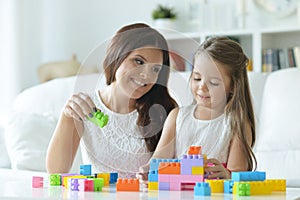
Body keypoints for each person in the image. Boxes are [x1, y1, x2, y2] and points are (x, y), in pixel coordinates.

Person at [46, 23, 178, 178]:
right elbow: (56, 173)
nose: (146, 75)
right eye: (139, 61)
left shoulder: (165, 112)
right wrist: (66, 117)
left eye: (155, 69)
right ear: (116, 57)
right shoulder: (86, 108)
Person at [137, 36, 257, 182]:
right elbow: (158, 160)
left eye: (213, 82)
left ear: (233, 86)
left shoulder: (236, 124)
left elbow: (238, 172)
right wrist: (147, 171)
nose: (202, 87)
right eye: (197, 78)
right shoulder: (177, 116)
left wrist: (227, 174)